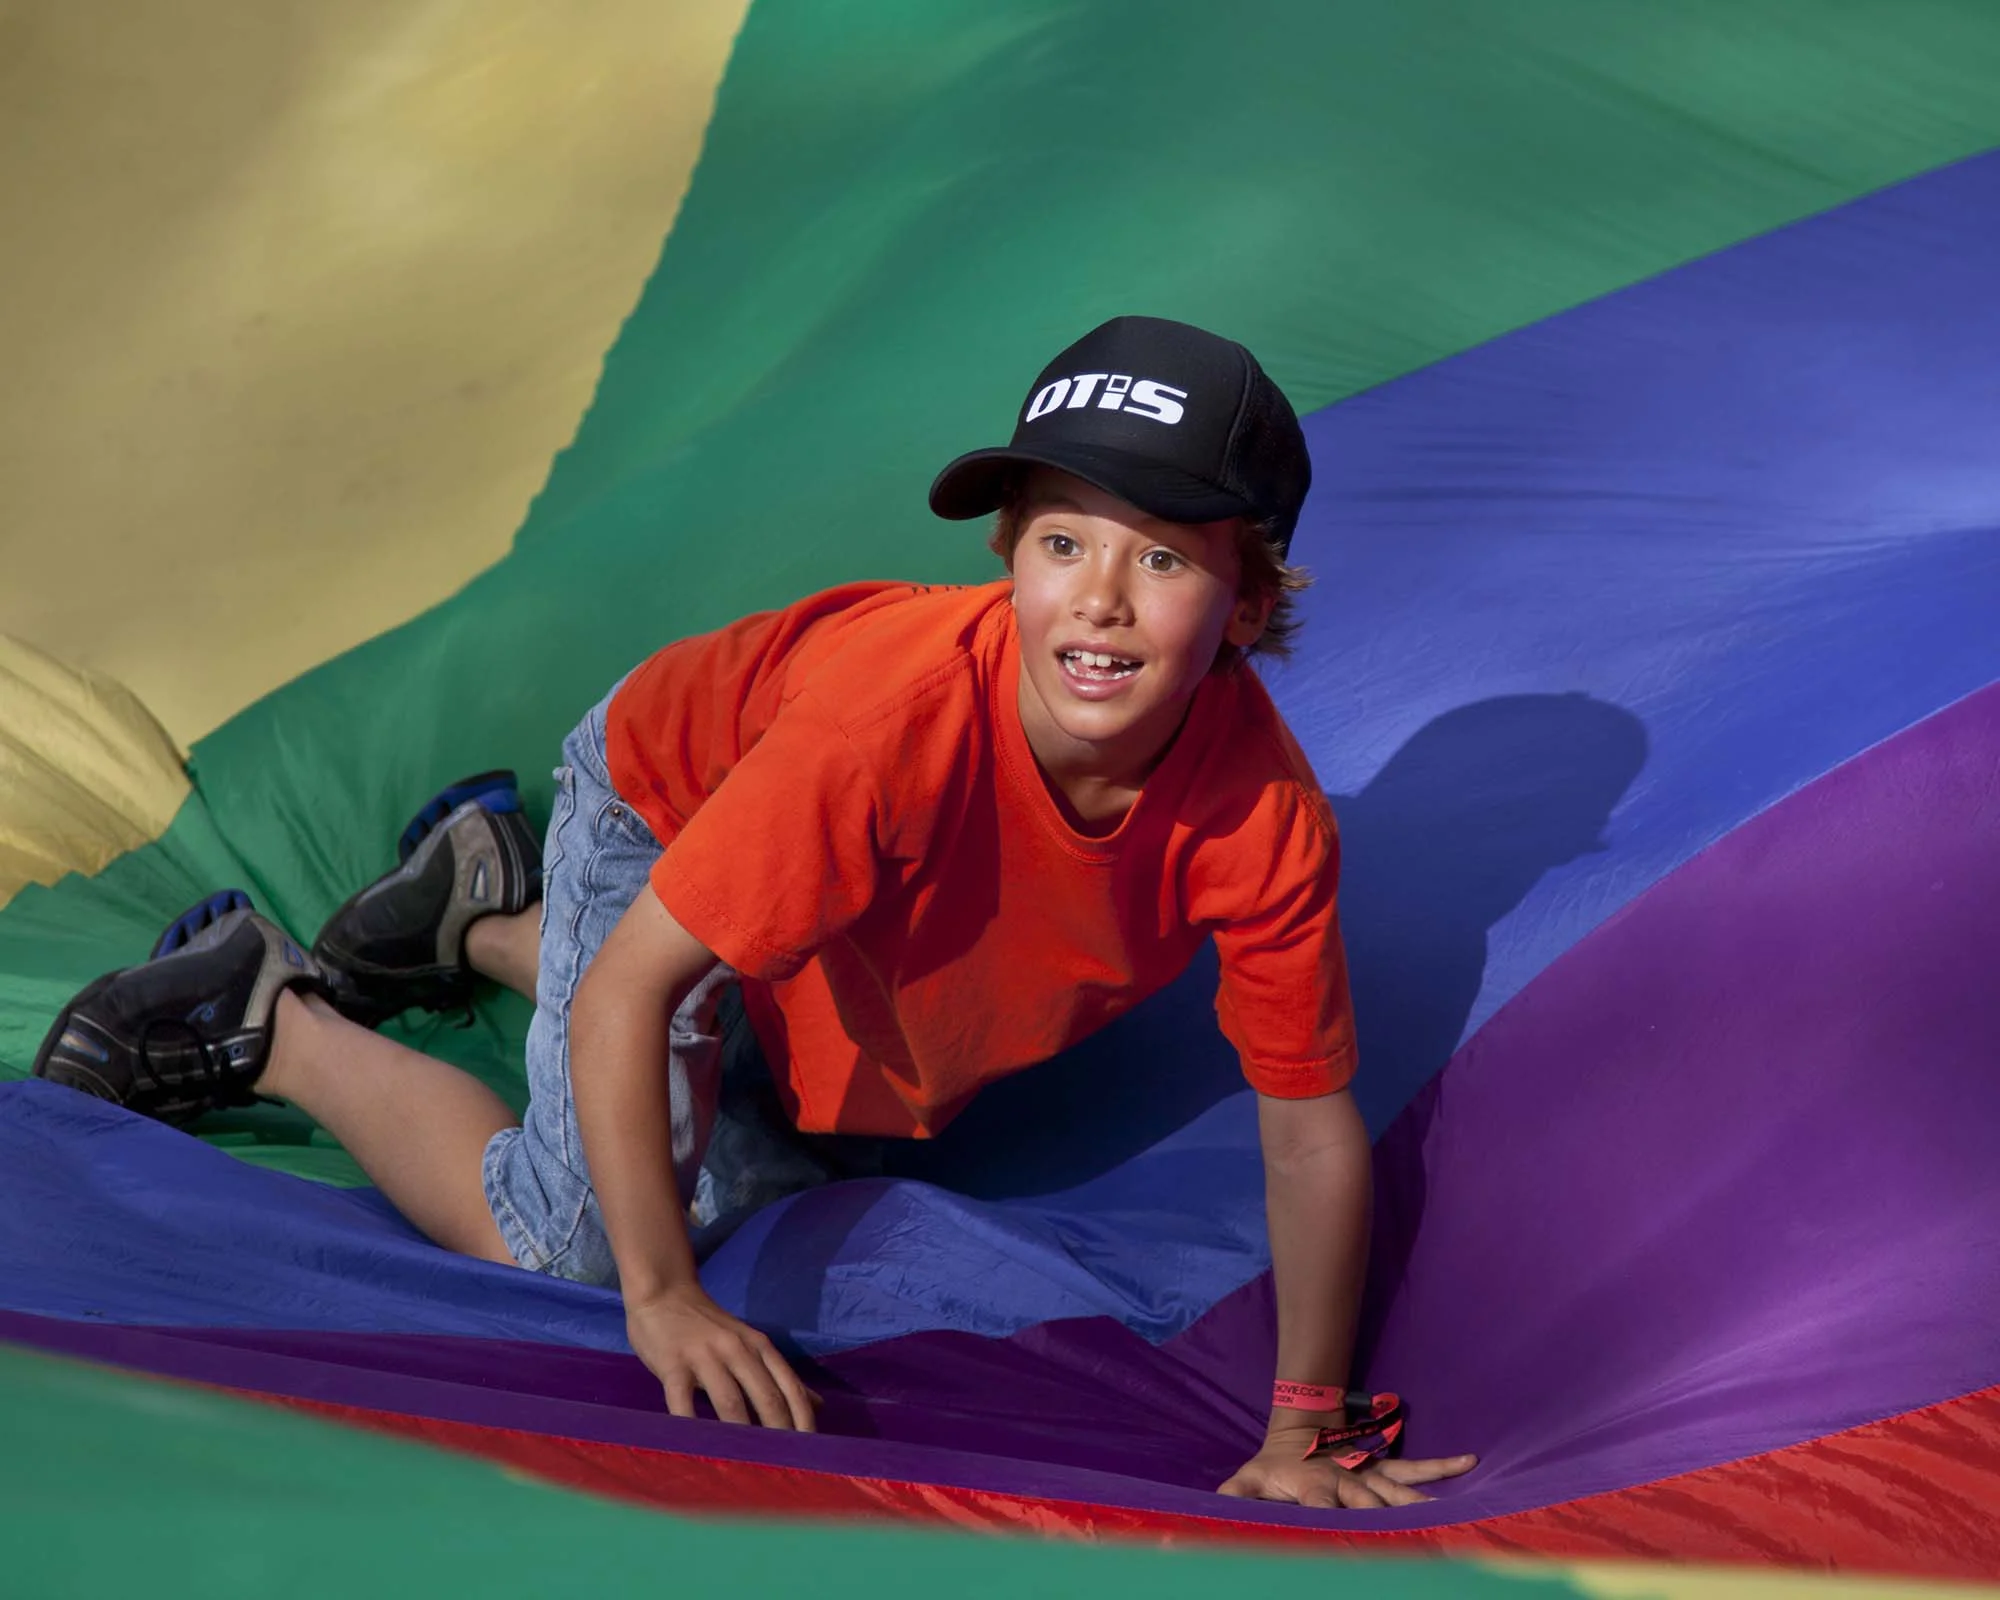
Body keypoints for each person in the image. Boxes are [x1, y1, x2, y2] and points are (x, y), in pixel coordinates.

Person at [35, 316, 1476, 1510]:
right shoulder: (886, 732)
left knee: (817, 1138)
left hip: (830, 912)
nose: (1097, 603)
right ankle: (266, 1011)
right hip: (671, 801)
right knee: (580, 1238)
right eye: (1062, 545)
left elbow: (1306, 1126)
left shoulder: (1258, 814)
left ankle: (474, 912)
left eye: (1161, 560)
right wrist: (660, 1295)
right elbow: (629, 995)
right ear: (1009, 554)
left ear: (1247, 601)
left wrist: (1305, 1425)